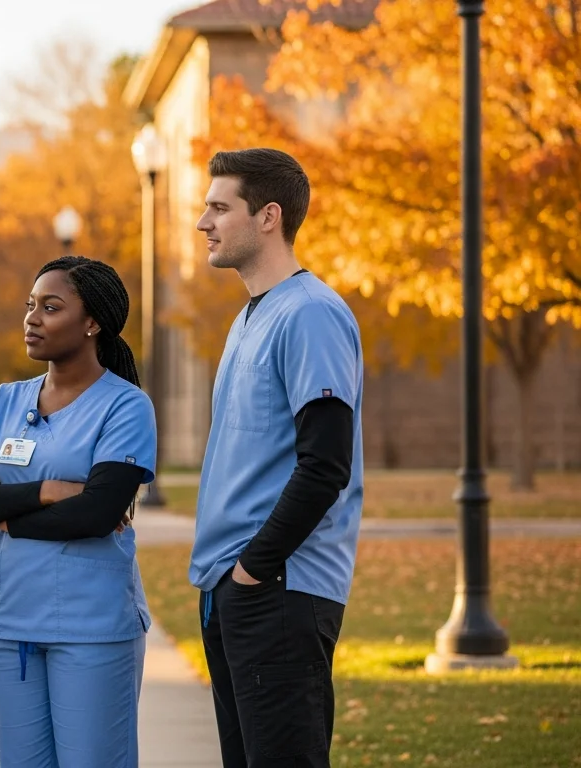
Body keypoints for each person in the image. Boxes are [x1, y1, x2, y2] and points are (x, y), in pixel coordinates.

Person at [0, 255, 156, 768]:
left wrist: (2, 512)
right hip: (11, 622)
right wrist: (48, 491)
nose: (32, 318)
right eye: (30, 305)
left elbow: (96, 515)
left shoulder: (124, 406)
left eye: (51, 307)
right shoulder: (3, 402)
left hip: (92, 628)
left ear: (92, 322)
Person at [190, 148, 363, 768]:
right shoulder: (248, 319)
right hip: (233, 590)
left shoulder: (310, 313)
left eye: (218, 207)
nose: (202, 221)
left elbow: (325, 464)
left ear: (268, 216)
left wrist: (253, 570)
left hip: (280, 589)